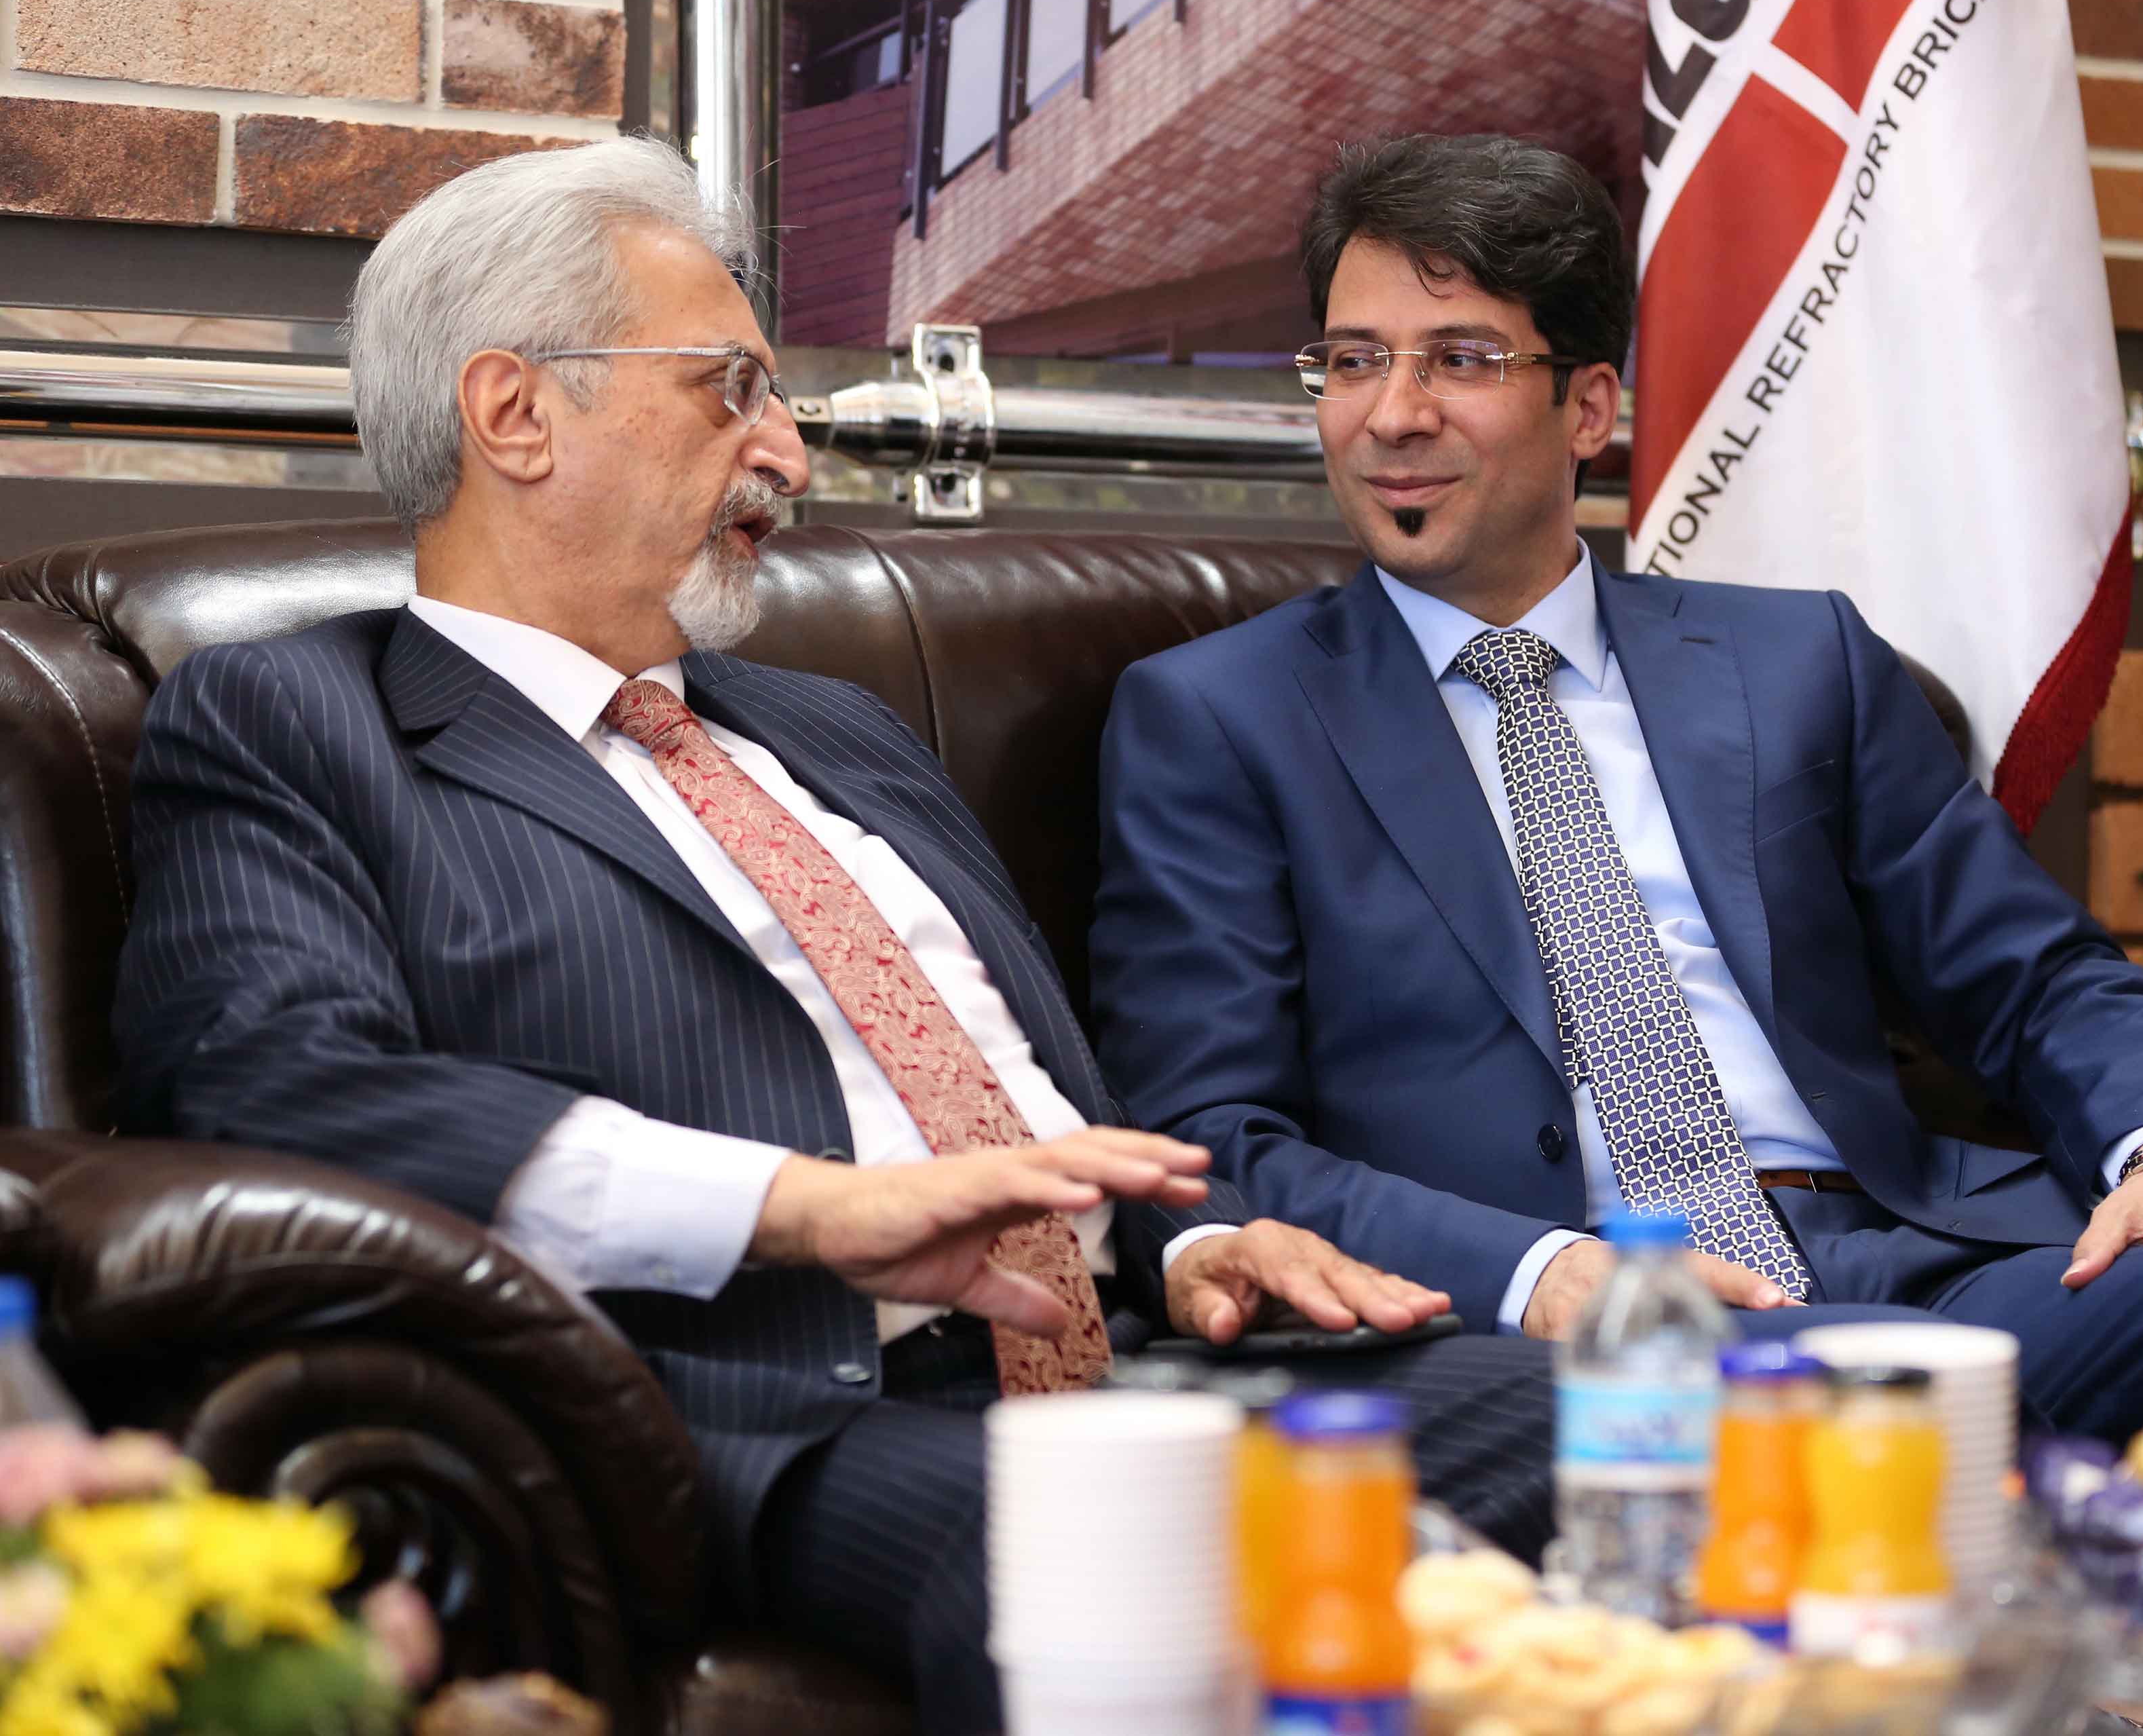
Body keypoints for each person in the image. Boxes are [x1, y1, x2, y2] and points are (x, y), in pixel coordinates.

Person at [112, 137, 1585, 1733]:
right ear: (515, 413)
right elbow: (273, 1083)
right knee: (1121, 1564)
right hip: (773, 1403)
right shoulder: (295, 721)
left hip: (1142, 1362)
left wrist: (1190, 1244)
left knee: (1649, 1429)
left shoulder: (831, 727)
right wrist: (809, 1208)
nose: (788, 456)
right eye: (730, 390)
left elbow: (1049, 1098)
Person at [1089, 133, 2143, 1553]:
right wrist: (1540, 1270)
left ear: (1588, 405)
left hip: (1908, 1263)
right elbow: (1209, 1136)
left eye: (1460, 359)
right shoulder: (1220, 717)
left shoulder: (1795, 662)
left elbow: (2035, 974)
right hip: (1576, 1314)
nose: (1391, 413)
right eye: (1351, 361)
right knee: (1825, 1424)